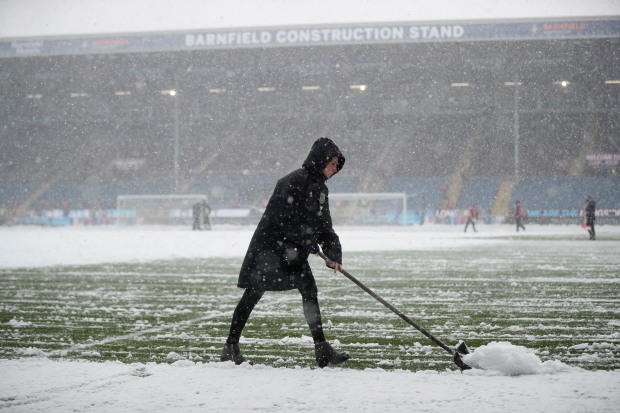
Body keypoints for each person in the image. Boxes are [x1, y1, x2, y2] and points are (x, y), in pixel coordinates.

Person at [220, 137, 350, 368]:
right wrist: (306, 239)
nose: (334, 169)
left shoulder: (321, 190)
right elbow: (282, 220)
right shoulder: (291, 182)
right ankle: (230, 346)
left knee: (309, 291)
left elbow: (325, 227)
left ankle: (322, 349)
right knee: (253, 293)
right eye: (331, 164)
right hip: (270, 250)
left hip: (294, 251)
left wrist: (333, 255)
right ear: (320, 160)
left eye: (336, 166)